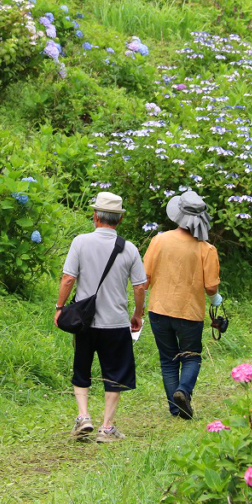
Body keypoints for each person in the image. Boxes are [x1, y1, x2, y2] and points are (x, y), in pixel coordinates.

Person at [56, 191, 148, 443]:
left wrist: (60, 307)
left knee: (81, 368)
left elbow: (68, 278)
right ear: (119, 220)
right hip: (116, 322)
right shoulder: (129, 248)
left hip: (84, 322)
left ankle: (83, 416)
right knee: (115, 372)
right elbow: (140, 286)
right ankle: (107, 428)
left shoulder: (80, 242)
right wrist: (138, 314)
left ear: (95, 216)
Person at [143, 190, 221, 420]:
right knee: (191, 356)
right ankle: (183, 391)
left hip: (158, 310)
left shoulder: (159, 240)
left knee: (168, 360)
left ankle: (175, 408)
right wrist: (217, 299)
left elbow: (144, 279)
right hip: (190, 314)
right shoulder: (207, 249)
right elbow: (211, 288)